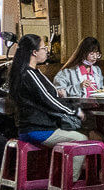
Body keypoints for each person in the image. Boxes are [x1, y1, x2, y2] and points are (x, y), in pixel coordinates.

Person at [10, 34, 88, 178]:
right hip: (38, 130)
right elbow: (49, 100)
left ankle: (63, 178)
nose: (46, 51)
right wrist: (74, 111)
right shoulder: (29, 73)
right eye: (44, 48)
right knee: (82, 139)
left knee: (78, 134)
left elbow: (45, 95)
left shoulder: (24, 72)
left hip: (29, 127)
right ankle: (71, 185)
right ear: (34, 52)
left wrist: (57, 93)